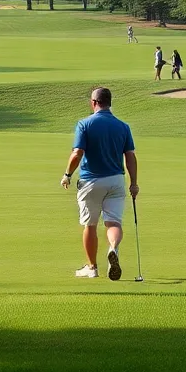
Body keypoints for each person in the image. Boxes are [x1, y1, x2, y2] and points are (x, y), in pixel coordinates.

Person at [61, 87, 138, 280]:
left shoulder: (84, 124)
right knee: (113, 222)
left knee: (90, 225)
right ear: (109, 102)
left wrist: (67, 174)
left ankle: (92, 267)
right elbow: (130, 157)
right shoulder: (123, 126)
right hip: (116, 181)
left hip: (91, 181)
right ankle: (113, 248)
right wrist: (134, 183)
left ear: (94, 102)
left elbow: (77, 153)